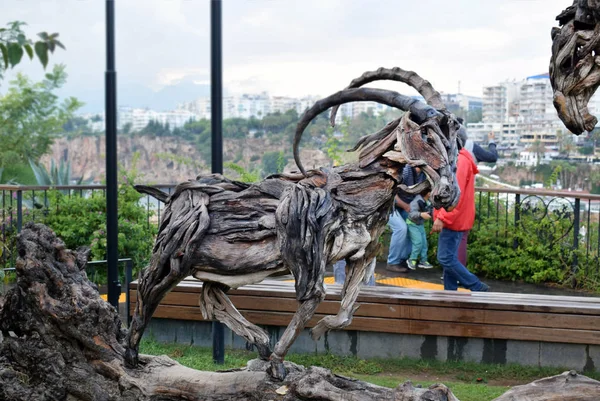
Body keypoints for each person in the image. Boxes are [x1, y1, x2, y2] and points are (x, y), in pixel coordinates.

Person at [431, 125, 489, 292]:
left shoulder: (460, 162)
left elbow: (456, 195)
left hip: (453, 219)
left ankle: (476, 286)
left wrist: (442, 217)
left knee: (445, 258)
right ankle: (450, 295)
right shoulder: (460, 160)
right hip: (456, 218)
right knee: (450, 260)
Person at [456, 120, 498, 266]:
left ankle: (453, 272)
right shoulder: (470, 147)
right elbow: (492, 157)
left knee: (450, 240)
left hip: (448, 196)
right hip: (466, 195)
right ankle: (458, 272)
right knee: (460, 237)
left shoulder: (445, 147)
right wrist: (492, 141)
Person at [386, 165, 426, 273]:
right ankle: (393, 262)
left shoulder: (424, 174)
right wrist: (406, 206)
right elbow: (390, 191)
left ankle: (402, 259)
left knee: (412, 226)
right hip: (387, 204)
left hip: (406, 206)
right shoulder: (405, 170)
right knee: (401, 228)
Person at [406, 187, 434, 270]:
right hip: (412, 224)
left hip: (420, 224)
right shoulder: (417, 201)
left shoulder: (428, 202)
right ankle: (412, 259)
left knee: (424, 244)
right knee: (418, 242)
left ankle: (423, 260)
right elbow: (411, 214)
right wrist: (421, 214)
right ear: (428, 193)